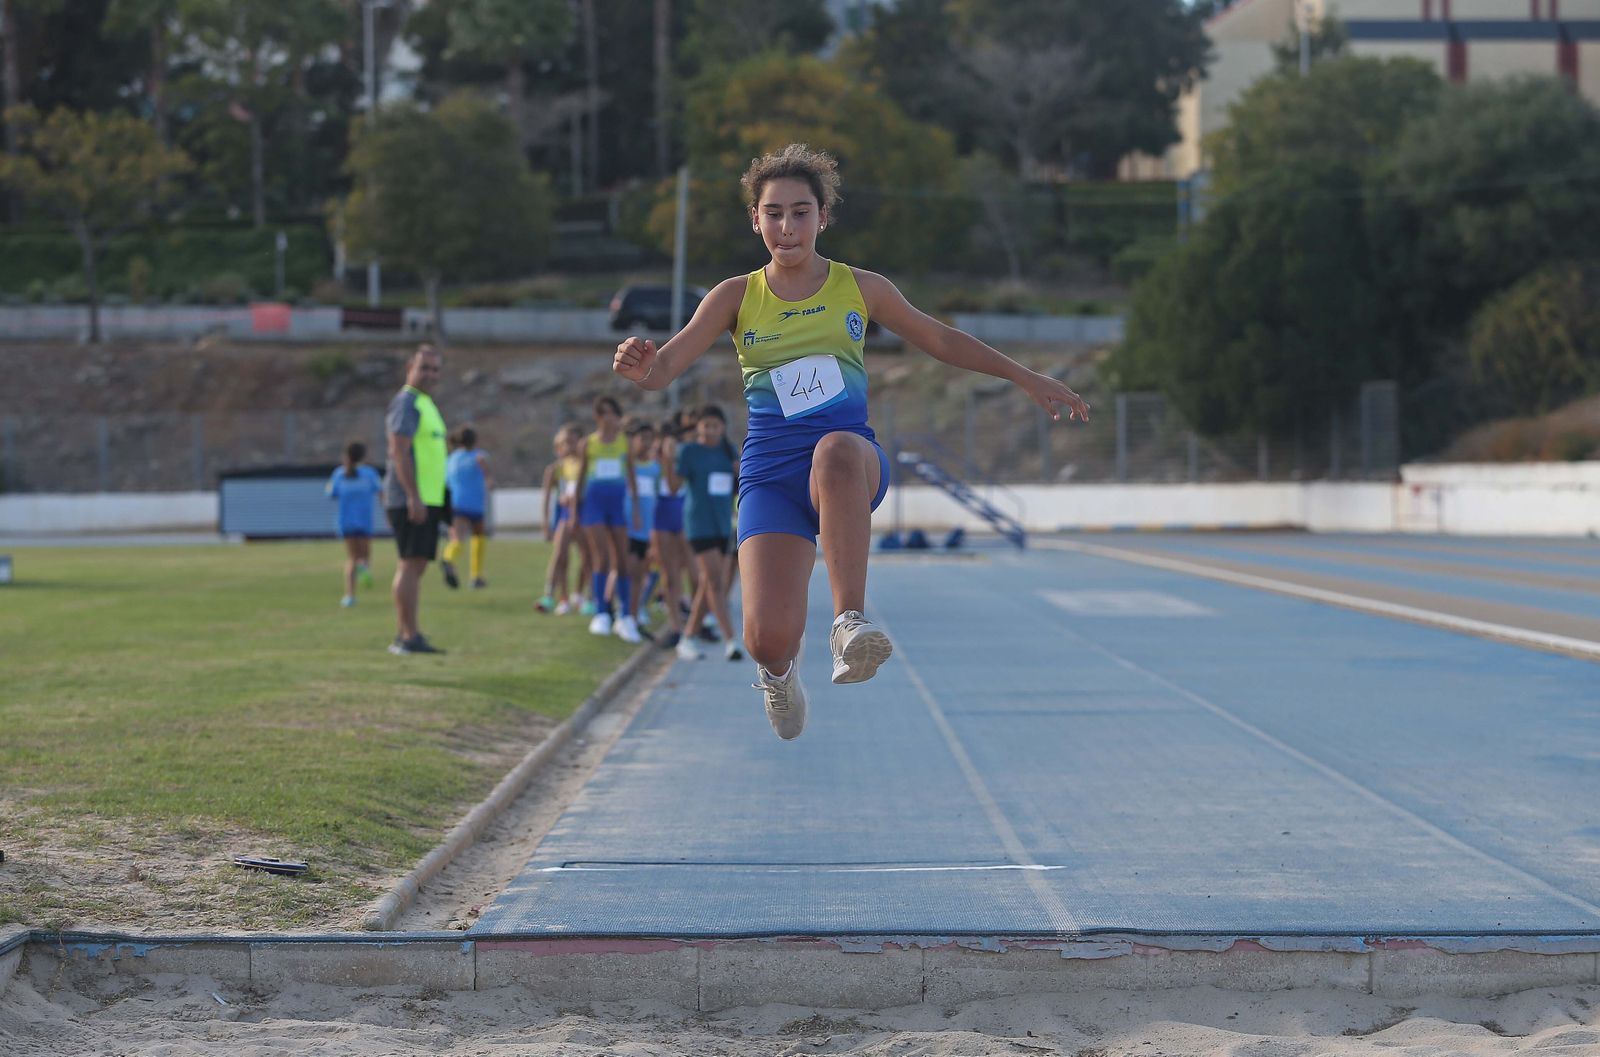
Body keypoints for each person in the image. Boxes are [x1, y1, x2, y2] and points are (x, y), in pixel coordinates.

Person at [613, 143, 1088, 740]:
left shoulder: (860, 288)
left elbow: (939, 339)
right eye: (775, 213)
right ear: (755, 220)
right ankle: (780, 676)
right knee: (766, 638)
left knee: (833, 449)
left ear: (824, 217)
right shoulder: (735, 297)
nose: (788, 227)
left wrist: (1025, 376)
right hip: (771, 474)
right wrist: (641, 367)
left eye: (801, 212)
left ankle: (848, 622)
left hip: (849, 463)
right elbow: (665, 369)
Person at [663, 405, 744, 664]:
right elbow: (675, 486)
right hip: (699, 524)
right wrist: (667, 460)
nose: (710, 430)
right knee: (715, 582)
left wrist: (738, 471)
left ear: (722, 428)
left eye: (715, 425)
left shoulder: (727, 451)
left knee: (709, 585)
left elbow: (735, 489)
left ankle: (688, 638)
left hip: (722, 524)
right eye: (705, 425)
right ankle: (731, 640)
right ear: (698, 427)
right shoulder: (689, 452)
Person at [384, 344, 450, 655]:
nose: (430, 374)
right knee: (410, 565)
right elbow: (399, 452)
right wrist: (413, 496)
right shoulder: (407, 403)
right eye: (424, 367)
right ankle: (408, 637)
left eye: (435, 369)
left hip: (428, 497)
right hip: (413, 499)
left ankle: (407, 633)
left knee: (417, 566)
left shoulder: (426, 404)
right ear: (410, 367)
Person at [575, 395, 643, 643]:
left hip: (617, 505)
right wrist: (575, 512)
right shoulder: (588, 444)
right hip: (594, 505)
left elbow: (632, 477)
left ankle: (625, 616)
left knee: (622, 560)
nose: (609, 418)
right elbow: (581, 478)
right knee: (600, 557)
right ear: (597, 417)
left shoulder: (625, 443)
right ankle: (601, 613)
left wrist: (635, 510)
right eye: (604, 413)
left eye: (613, 413)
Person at [650, 418, 692, 649]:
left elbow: (676, 485)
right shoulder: (655, 460)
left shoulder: (683, 456)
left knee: (693, 570)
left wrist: (672, 458)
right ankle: (675, 626)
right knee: (668, 572)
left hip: (682, 508)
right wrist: (663, 458)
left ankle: (696, 621)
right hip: (662, 513)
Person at [325, 440, 380, 607]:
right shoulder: (370, 474)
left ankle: (349, 596)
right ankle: (364, 568)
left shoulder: (339, 474)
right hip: (364, 520)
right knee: (365, 556)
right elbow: (380, 491)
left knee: (351, 558)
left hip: (346, 521)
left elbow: (330, 493)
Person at [538, 425, 585, 614]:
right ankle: (554, 595)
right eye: (566, 443)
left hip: (584, 514)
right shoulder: (555, 469)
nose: (570, 446)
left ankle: (581, 594)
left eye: (573, 441)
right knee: (560, 555)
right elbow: (547, 498)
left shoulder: (584, 464)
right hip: (565, 516)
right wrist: (545, 523)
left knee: (586, 556)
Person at [442, 425, 494, 590]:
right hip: (475, 503)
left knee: (457, 538)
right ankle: (476, 576)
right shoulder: (479, 456)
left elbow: (446, 482)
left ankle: (448, 558)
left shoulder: (451, 459)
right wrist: (489, 479)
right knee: (478, 537)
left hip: (456, 503)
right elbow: (487, 474)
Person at [622, 418, 660, 636]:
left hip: (646, 528)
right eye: (642, 439)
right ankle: (617, 611)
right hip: (627, 526)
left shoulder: (655, 468)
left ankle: (634, 615)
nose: (646, 443)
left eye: (649, 439)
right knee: (625, 571)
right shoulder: (627, 465)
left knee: (639, 573)